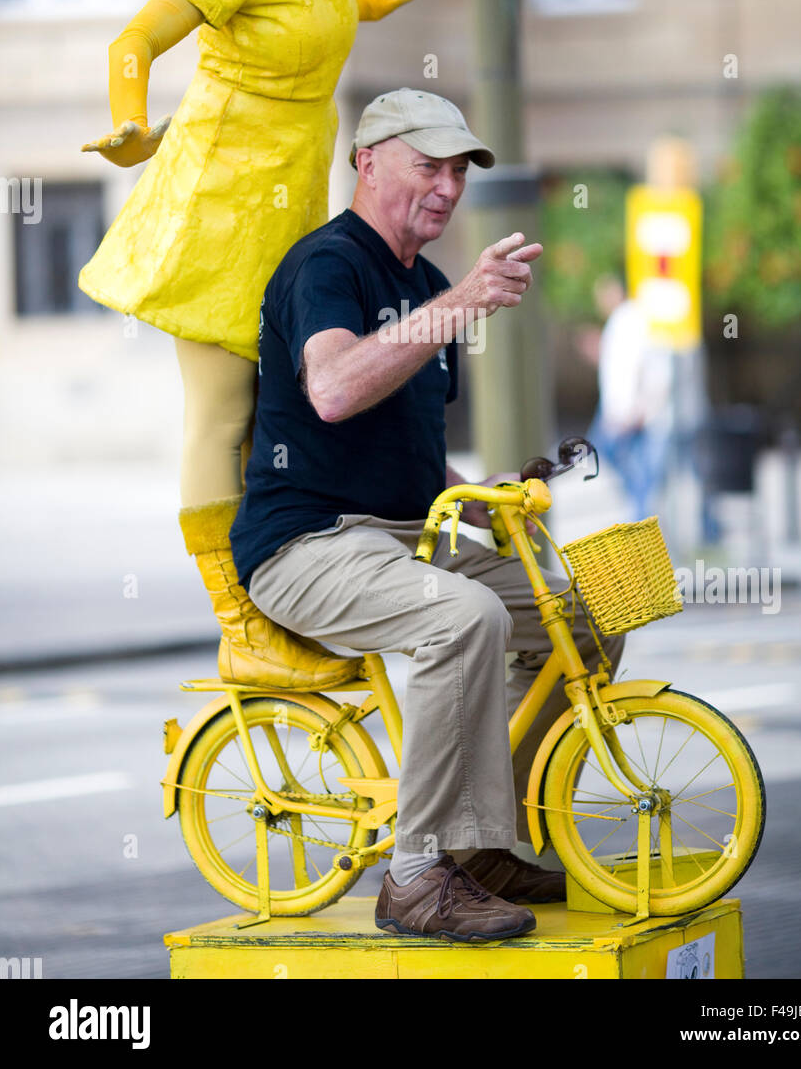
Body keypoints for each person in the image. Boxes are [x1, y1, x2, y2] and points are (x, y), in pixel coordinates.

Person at [231, 88, 626, 941]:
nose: (447, 187)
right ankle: (414, 873)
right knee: (466, 616)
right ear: (367, 162)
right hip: (307, 543)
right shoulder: (327, 266)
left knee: (584, 615)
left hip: (409, 533)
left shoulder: (430, 284)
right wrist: (464, 304)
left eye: (458, 170)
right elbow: (333, 391)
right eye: (429, 165)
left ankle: (481, 843)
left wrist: (480, 497)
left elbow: (406, 447)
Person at [76, 0, 421, 691]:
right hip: (217, 206)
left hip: (286, 208)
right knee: (222, 417)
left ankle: (289, 602)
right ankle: (239, 628)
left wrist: (354, 4)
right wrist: (131, 128)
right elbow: (133, 42)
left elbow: (297, 16)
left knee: (287, 412)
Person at [586, 274, 673, 522]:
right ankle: (640, 513)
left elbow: (635, 368)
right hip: (626, 410)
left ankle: (642, 521)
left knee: (643, 473)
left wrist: (633, 410)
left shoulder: (628, 320)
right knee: (639, 471)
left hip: (633, 413)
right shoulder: (623, 320)